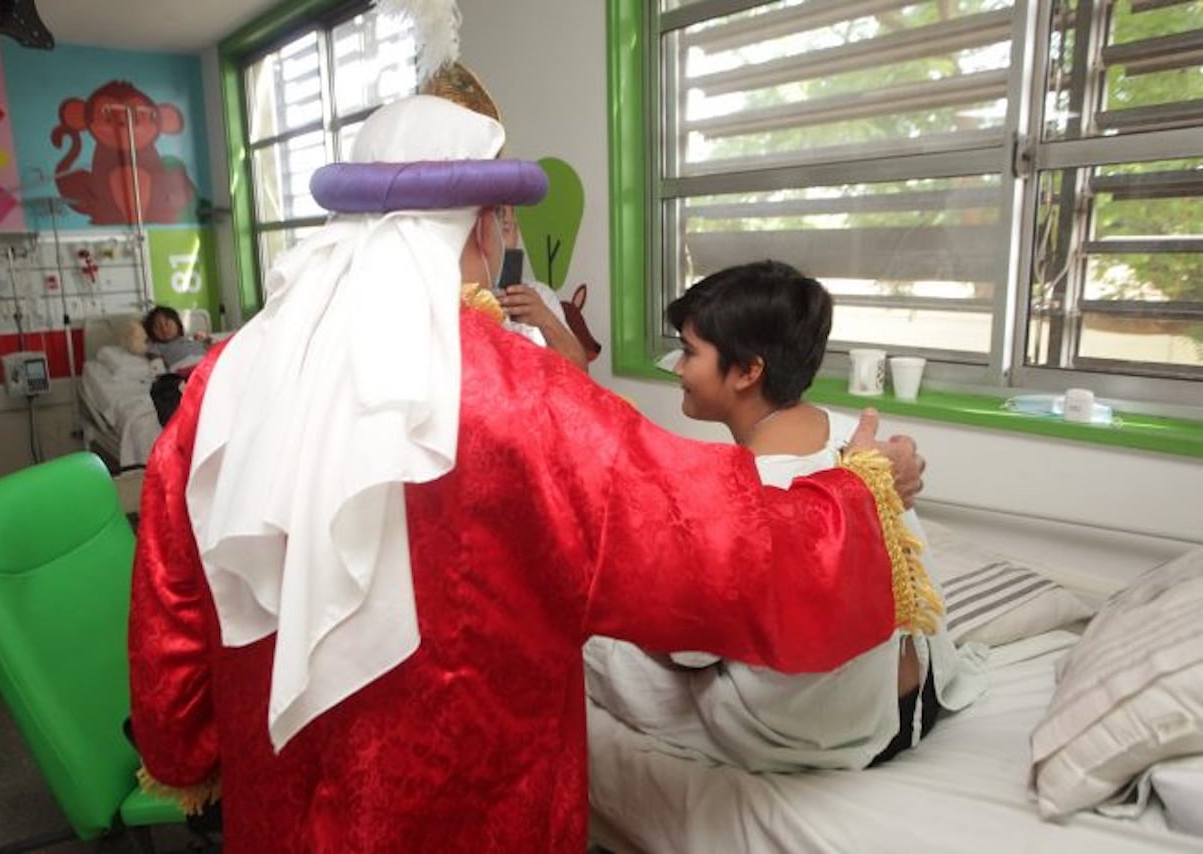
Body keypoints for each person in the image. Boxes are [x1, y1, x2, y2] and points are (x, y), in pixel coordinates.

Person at [127, 94, 930, 851]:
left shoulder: (227, 374)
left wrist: (181, 737)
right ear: (483, 226)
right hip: (468, 799)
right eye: (502, 219)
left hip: (283, 779)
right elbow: (706, 542)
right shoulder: (516, 394)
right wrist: (861, 490)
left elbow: (173, 583)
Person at [585, 260, 988, 773]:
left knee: (589, 638)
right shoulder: (859, 443)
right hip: (920, 695)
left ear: (749, 371)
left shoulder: (749, 495)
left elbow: (690, 651)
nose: (677, 368)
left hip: (838, 728)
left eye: (689, 352)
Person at [493, 205, 589, 370]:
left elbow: (581, 371)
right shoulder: (454, 296)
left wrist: (544, 319)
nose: (498, 243)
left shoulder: (539, 295)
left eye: (507, 226)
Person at [143, 305, 208, 372]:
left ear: (177, 323)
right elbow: (153, 358)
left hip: (206, 362)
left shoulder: (188, 338)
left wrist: (203, 340)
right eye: (157, 327)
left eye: (167, 323)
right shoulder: (158, 345)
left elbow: (205, 345)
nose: (164, 329)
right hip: (185, 368)